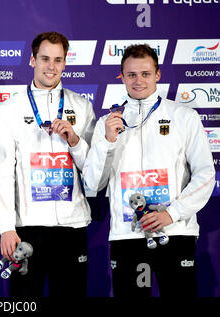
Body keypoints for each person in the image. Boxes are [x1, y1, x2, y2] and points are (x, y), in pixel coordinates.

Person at [83, 44, 215, 297]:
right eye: (131, 74)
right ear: (121, 77)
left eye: (145, 73)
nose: (138, 80)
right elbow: (92, 185)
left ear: (158, 74)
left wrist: (172, 213)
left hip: (174, 231)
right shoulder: (105, 124)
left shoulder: (184, 116)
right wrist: (108, 142)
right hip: (127, 234)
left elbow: (205, 173)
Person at [0, 31, 96, 297]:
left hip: (71, 227)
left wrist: (74, 140)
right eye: (45, 58)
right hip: (28, 228)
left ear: (64, 63)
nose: (51, 66)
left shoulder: (82, 106)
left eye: (58, 60)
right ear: (32, 60)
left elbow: (94, 172)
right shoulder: (9, 109)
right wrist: (6, 227)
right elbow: (2, 174)